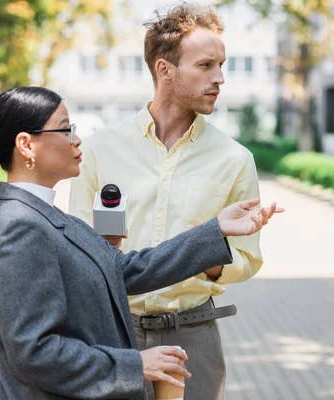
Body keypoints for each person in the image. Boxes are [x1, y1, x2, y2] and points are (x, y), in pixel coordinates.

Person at [0, 86, 282, 400]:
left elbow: (124, 270)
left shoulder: (44, 215)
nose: (77, 139)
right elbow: (34, 352)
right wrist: (135, 364)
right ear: (26, 144)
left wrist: (215, 230)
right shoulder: (20, 227)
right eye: (66, 129)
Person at [69, 4, 263, 399]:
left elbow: (247, 259)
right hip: (114, 334)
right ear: (165, 70)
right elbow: (75, 251)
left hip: (194, 338)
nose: (220, 78)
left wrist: (206, 253)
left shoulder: (235, 159)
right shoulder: (99, 151)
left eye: (221, 65)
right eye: (206, 65)